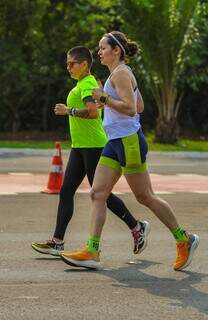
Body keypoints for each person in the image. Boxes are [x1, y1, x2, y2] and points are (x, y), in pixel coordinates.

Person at [60, 32, 199, 271]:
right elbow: (140, 105)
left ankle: (184, 238)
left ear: (116, 50)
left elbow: (132, 109)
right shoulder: (117, 74)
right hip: (114, 142)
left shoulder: (122, 73)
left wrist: (104, 98)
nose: (99, 51)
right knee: (97, 193)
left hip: (128, 142)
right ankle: (92, 250)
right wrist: (109, 101)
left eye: (103, 48)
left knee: (144, 196)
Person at [31, 46, 150, 257]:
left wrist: (69, 111)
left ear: (84, 64)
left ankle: (136, 227)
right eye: (67, 63)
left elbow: (93, 113)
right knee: (68, 191)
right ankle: (57, 242)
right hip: (80, 147)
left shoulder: (87, 83)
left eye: (72, 64)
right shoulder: (83, 83)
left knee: (101, 194)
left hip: (94, 146)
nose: (68, 67)